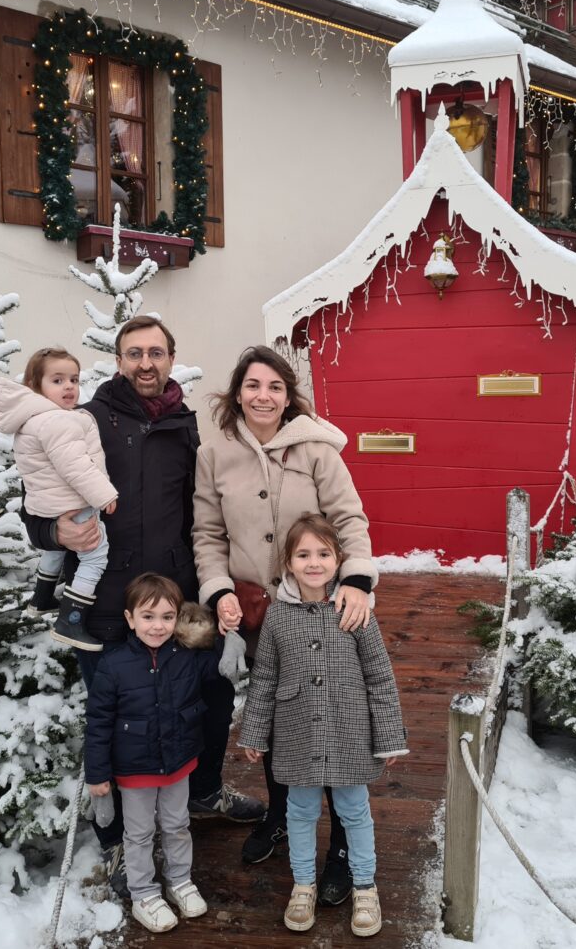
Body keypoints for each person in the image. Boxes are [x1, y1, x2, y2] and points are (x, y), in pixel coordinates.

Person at [21, 317, 263, 898]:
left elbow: (200, 508)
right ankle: (113, 843)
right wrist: (55, 531)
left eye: (157, 352)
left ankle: (202, 791)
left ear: (173, 358)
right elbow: (37, 497)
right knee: (116, 720)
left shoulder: (184, 424)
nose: (147, 363)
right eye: (135, 354)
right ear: (119, 359)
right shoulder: (86, 421)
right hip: (109, 602)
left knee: (211, 697)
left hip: (179, 599)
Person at [192, 344, 377, 903]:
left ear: (288, 395)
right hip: (256, 612)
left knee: (342, 715)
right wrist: (219, 589)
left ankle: (343, 845)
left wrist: (357, 581)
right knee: (276, 714)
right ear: (237, 393)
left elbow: (350, 518)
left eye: (274, 387)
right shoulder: (215, 453)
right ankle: (278, 814)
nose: (263, 396)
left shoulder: (318, 450)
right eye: (253, 386)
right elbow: (208, 534)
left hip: (326, 606)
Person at [238, 513, 407, 936]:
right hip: (296, 733)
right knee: (299, 812)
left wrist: (388, 738)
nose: (314, 563)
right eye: (303, 554)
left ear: (339, 559)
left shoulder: (355, 608)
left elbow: (380, 676)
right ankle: (303, 885)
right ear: (288, 563)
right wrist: (256, 732)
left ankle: (365, 887)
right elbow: (265, 679)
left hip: (350, 733)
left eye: (323, 554)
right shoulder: (277, 616)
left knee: (354, 811)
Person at [85, 574, 220, 932]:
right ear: (130, 619)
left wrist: (227, 638)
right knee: (139, 832)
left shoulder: (187, 657)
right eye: (148, 616)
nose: (158, 626)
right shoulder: (113, 665)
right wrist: (97, 774)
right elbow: (98, 722)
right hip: (135, 769)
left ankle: (180, 880)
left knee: (177, 825)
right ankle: (144, 891)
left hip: (178, 762)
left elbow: (219, 667)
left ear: (178, 619)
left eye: (166, 617)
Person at [0, 348, 118, 650]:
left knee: (57, 550)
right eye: (58, 380)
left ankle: (42, 597)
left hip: (46, 504)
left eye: (73, 378)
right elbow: (76, 466)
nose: (70, 386)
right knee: (95, 554)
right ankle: (70, 621)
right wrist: (104, 495)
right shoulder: (57, 421)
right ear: (36, 386)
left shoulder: (33, 420)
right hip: (70, 502)